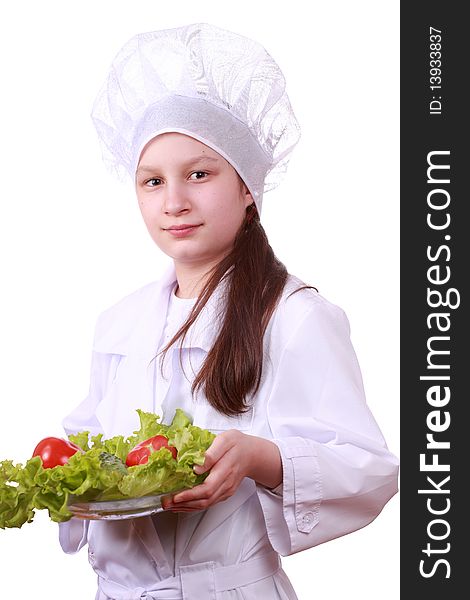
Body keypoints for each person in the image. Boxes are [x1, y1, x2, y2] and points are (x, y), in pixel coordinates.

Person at [58, 22, 399, 600]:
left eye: (199, 173)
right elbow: (90, 442)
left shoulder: (293, 316)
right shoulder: (119, 320)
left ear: (247, 186)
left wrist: (260, 457)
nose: (174, 202)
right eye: (151, 181)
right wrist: (65, 475)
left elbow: (368, 469)